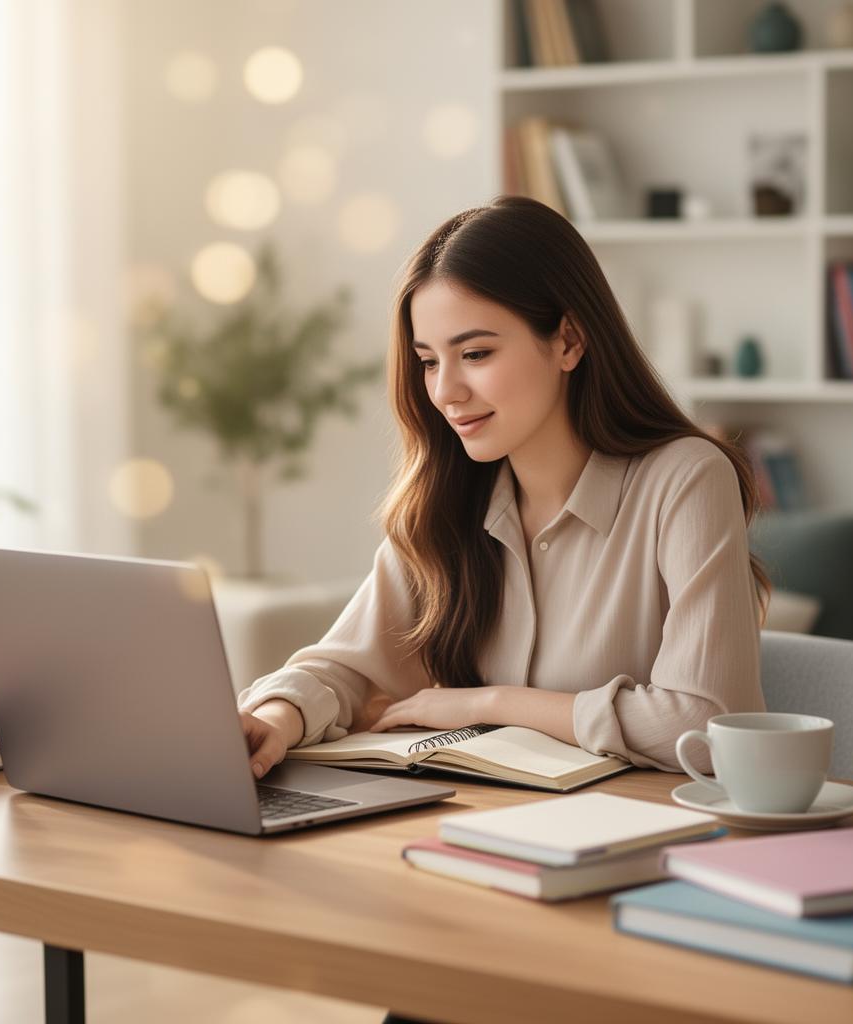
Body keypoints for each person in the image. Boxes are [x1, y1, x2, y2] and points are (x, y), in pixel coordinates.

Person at [237, 194, 768, 784]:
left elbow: (705, 727)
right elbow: (345, 669)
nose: (445, 392)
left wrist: (485, 703)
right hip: (476, 828)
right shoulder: (447, 502)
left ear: (568, 340)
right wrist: (277, 716)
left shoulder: (686, 479)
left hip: (639, 840)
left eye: (475, 353)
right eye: (429, 362)